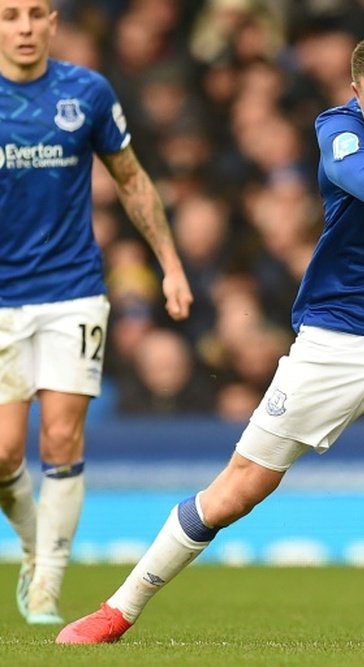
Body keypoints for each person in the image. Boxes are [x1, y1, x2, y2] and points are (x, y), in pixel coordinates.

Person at [56, 28, 364, 644]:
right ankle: (119, 609)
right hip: (335, 341)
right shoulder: (337, 130)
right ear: (355, 95)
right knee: (237, 491)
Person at [0, 0, 192, 625]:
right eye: (10, 16)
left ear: (54, 22)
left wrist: (170, 263)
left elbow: (132, 180)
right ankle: (35, 549)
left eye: (35, 14)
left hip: (73, 290)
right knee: (4, 454)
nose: (24, 28)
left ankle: (48, 586)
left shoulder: (86, 92)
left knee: (59, 436)